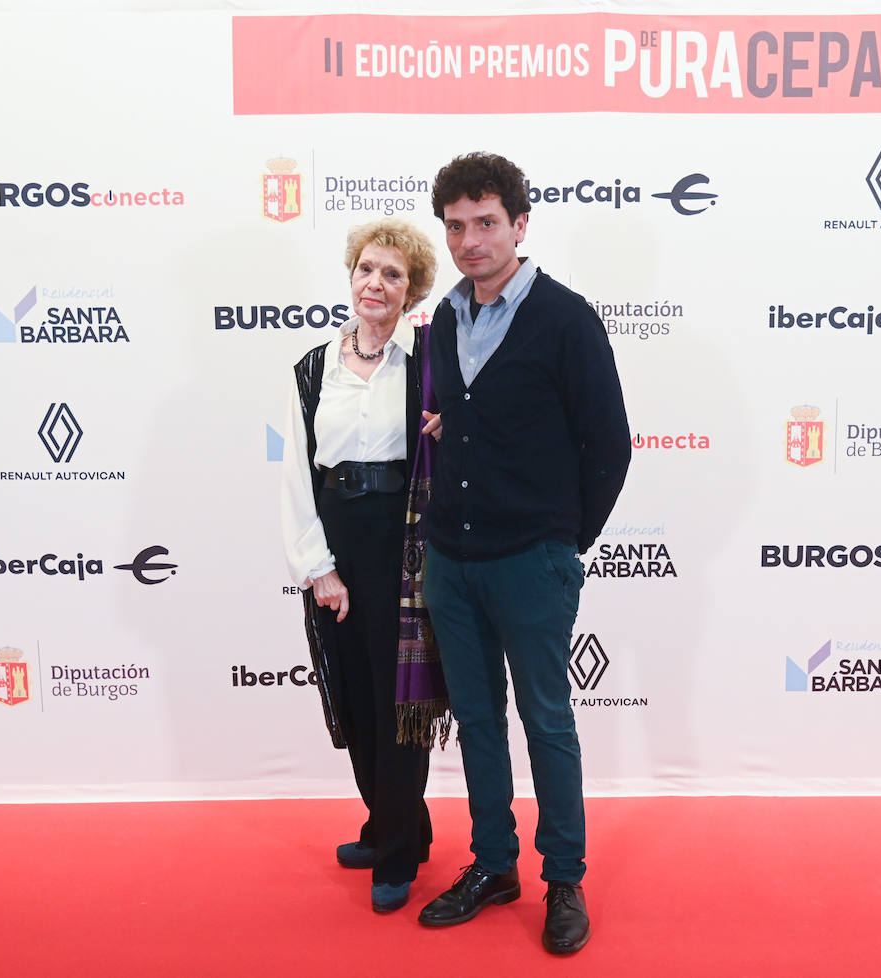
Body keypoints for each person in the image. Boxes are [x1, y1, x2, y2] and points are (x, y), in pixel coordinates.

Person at [415, 152, 631, 955]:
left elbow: (609, 445)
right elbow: (457, 420)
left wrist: (562, 543)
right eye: (456, 227)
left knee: (546, 721)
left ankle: (563, 877)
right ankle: (493, 864)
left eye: (486, 223)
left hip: (530, 560)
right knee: (475, 720)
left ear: (519, 224)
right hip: (451, 559)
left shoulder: (567, 319)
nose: (470, 241)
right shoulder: (442, 319)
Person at [280, 218, 450, 914]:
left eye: (392, 275)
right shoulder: (313, 366)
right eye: (367, 270)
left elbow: (459, 454)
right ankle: (392, 822)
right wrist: (319, 567)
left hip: (406, 546)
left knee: (400, 703)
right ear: (351, 276)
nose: (375, 284)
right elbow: (297, 472)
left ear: (411, 292)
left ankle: (398, 851)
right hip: (339, 541)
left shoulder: (431, 362)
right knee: (354, 694)